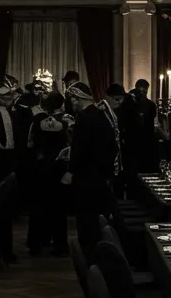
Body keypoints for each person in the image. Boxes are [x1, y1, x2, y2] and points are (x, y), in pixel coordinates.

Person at [68, 81, 124, 258]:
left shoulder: (84, 117)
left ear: (76, 99)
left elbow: (79, 149)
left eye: (71, 99)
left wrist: (70, 170)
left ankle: (89, 256)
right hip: (100, 175)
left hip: (86, 177)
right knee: (97, 219)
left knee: (86, 220)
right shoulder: (100, 114)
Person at [25, 92, 71, 256]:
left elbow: (29, 142)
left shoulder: (37, 119)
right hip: (58, 166)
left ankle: (36, 243)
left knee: (38, 205)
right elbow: (70, 144)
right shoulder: (66, 121)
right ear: (62, 104)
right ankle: (59, 245)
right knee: (59, 207)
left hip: (40, 166)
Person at [118, 79, 159, 192]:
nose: (142, 94)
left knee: (144, 171)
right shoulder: (129, 104)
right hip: (132, 142)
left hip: (146, 142)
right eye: (140, 92)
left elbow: (151, 123)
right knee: (132, 171)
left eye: (144, 92)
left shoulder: (151, 105)